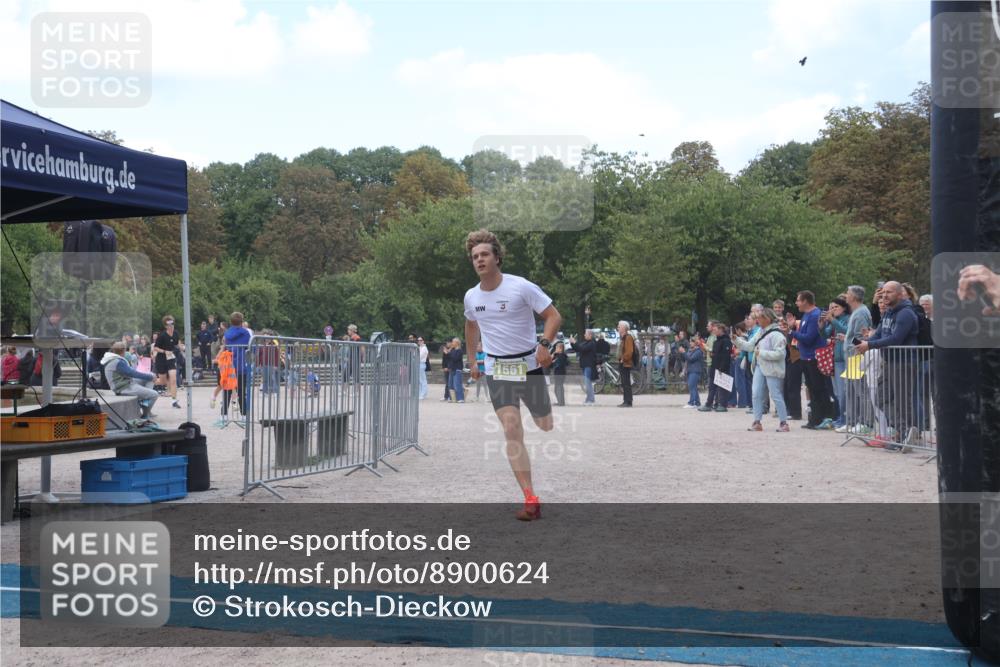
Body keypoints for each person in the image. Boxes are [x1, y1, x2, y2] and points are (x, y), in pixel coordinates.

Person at [463, 229, 561, 521]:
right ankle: (530, 498)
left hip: (528, 366)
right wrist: (473, 361)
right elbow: (471, 326)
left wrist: (544, 344)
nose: (479, 260)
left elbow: (554, 316)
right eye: (475, 256)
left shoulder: (521, 287)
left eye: (484, 254)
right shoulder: (472, 296)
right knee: (510, 428)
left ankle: (540, 413)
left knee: (545, 425)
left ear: (497, 258)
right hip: (497, 368)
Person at [855, 281, 920, 448]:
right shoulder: (888, 312)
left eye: (889, 292)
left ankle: (905, 436)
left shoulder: (905, 313)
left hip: (903, 362)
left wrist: (868, 345)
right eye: (883, 292)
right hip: (889, 362)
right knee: (881, 397)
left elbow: (896, 339)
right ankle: (905, 430)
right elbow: (880, 335)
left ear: (900, 294)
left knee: (902, 400)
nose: (884, 295)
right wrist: (865, 342)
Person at [785, 291, 836, 429]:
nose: (796, 303)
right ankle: (815, 419)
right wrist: (793, 328)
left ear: (806, 301)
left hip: (814, 357)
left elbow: (808, 338)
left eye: (798, 300)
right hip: (806, 356)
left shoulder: (814, 315)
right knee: (812, 388)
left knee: (818, 389)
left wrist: (791, 332)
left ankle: (824, 418)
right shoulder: (807, 315)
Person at [736, 308, 790, 432]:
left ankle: (784, 423)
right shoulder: (760, 331)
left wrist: (761, 353)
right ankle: (757, 421)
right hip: (760, 366)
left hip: (772, 368)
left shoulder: (777, 333)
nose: (757, 320)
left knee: (776, 394)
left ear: (767, 319)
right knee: (755, 394)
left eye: (759, 317)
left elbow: (781, 354)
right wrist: (736, 340)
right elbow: (750, 346)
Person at [838, 285, 873, 434]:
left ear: (854, 296)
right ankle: (851, 421)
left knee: (861, 390)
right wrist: (846, 338)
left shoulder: (860, 313)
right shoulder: (856, 312)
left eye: (848, 293)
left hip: (856, 357)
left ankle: (866, 422)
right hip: (851, 356)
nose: (846, 295)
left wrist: (851, 344)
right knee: (851, 390)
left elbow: (861, 336)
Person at [101, 342, 158, 419]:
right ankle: (145, 415)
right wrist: (150, 377)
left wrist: (150, 376)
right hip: (123, 388)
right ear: (123, 351)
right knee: (154, 394)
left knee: (150, 377)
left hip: (126, 383)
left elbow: (131, 373)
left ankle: (145, 403)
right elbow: (133, 373)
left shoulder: (112, 359)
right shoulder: (118, 362)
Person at [820, 297, 851, 429]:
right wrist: (821, 326)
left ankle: (846, 419)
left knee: (845, 392)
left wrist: (832, 320)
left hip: (846, 359)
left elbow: (847, 331)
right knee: (838, 392)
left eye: (835, 307)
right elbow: (825, 335)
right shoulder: (835, 320)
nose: (832, 310)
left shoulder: (848, 318)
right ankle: (841, 417)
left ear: (843, 307)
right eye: (831, 308)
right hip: (836, 359)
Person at [223, 311, 252, 416]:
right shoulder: (245, 333)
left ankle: (223, 415)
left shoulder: (227, 333)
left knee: (227, 391)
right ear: (241, 321)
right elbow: (249, 347)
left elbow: (225, 345)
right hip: (241, 365)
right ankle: (244, 415)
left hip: (229, 366)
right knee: (241, 392)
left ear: (231, 321)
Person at [699, 322, 732, 412]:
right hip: (714, 366)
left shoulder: (726, 341)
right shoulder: (716, 341)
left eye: (715, 329)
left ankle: (722, 404)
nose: (713, 330)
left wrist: (722, 368)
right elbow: (714, 353)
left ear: (721, 330)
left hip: (722, 368)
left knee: (722, 388)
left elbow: (726, 356)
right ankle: (709, 404)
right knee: (712, 387)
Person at [152, 315, 184, 409]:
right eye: (169, 324)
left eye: (172, 323)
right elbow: (155, 348)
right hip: (161, 359)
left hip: (171, 358)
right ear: (166, 326)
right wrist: (164, 351)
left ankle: (174, 401)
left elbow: (177, 343)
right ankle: (147, 381)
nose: (171, 326)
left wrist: (181, 347)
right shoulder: (162, 336)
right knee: (162, 381)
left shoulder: (176, 333)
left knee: (173, 379)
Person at [568, 330, 597, 405]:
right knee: (587, 383)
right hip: (585, 365)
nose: (584, 335)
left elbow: (582, 349)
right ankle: (589, 399)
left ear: (590, 335)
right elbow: (578, 348)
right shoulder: (586, 343)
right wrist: (572, 343)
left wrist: (575, 342)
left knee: (588, 383)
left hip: (589, 365)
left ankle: (591, 400)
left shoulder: (592, 343)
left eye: (586, 334)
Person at [616, 320, 639, 407]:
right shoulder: (623, 337)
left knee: (626, 383)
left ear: (623, 328)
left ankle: (628, 401)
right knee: (625, 383)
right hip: (623, 363)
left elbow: (629, 351)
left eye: (619, 326)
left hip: (625, 363)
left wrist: (623, 359)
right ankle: (627, 401)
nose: (618, 327)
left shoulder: (628, 337)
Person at [681, 333, 704, 408]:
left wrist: (684, 352)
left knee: (691, 386)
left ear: (696, 343)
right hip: (690, 371)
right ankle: (697, 403)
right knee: (693, 386)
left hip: (695, 371)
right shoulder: (690, 350)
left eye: (692, 341)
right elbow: (686, 359)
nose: (690, 343)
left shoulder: (698, 351)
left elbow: (691, 359)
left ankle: (692, 403)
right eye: (690, 341)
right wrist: (683, 353)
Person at [446, 337, 465, 403]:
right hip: (451, 369)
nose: (452, 343)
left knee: (457, 384)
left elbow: (455, 358)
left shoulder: (459, 351)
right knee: (450, 384)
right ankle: (451, 397)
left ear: (457, 343)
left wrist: (449, 353)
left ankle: (460, 398)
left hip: (457, 369)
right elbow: (449, 359)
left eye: (453, 342)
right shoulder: (452, 350)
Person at [551, 341, 569, 406]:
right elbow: (550, 361)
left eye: (556, 348)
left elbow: (558, 364)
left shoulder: (562, 356)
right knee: (557, 388)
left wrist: (554, 362)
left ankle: (561, 402)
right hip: (557, 373)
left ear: (560, 349)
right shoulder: (557, 355)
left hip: (560, 373)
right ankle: (560, 401)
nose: (556, 349)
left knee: (559, 388)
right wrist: (553, 355)